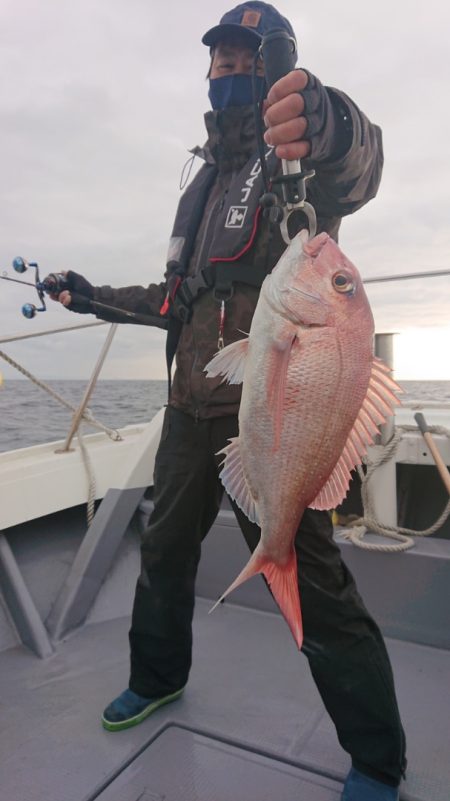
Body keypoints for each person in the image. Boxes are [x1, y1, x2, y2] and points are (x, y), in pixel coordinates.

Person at [54, 4, 406, 799]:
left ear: (269, 65)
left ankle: (377, 756)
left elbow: (363, 164)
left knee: (315, 583)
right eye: (216, 59)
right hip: (188, 408)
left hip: (272, 416)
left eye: (242, 57)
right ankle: (157, 676)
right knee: (163, 553)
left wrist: (329, 118)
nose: (225, 70)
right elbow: (178, 298)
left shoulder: (297, 157)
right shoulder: (207, 181)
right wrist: (89, 296)